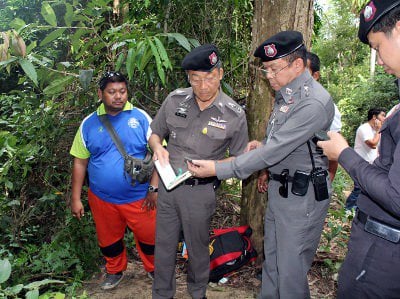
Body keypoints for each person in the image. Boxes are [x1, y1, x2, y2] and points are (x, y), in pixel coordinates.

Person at [188, 31, 335, 299]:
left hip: (302, 198)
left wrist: (217, 168)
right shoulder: (287, 93)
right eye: (266, 69)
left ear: (298, 65)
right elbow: (279, 141)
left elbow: (277, 150)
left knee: (290, 272)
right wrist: (263, 144)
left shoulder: (312, 102)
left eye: (273, 69)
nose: (268, 76)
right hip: (282, 192)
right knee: (273, 265)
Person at [149, 44, 249, 299]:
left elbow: (240, 161)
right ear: (189, 78)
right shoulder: (174, 100)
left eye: (209, 78)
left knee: (198, 249)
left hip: (200, 193)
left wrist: (215, 170)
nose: (203, 86)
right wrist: (158, 148)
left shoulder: (234, 115)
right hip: (168, 188)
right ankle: (162, 294)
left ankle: (197, 292)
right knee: (164, 247)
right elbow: (155, 132)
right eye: (196, 79)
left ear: (221, 74)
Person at [318, 1, 400, 297]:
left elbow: (396, 196)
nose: (378, 60)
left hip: (383, 258)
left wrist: (343, 154)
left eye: (378, 47)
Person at [70, 71, 157, 290]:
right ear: (100, 94)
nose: (118, 96)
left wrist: (155, 188)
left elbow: (160, 153)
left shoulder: (141, 117)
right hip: (102, 198)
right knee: (109, 240)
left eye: (122, 91)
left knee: (151, 237)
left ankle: (155, 269)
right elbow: (80, 162)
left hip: (140, 196)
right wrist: (75, 198)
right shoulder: (88, 124)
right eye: (111, 92)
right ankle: (114, 270)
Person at [306, 51, 342, 182]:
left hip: (314, 181)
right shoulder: (286, 104)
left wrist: (328, 183)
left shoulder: (328, 109)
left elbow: (334, 151)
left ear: (315, 75)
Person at [345, 108, 386, 210]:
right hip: (361, 163)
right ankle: (348, 210)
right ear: (374, 117)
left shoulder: (375, 130)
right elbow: (372, 144)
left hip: (371, 165)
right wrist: (378, 131)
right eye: (383, 115)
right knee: (359, 189)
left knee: (365, 190)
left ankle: (356, 211)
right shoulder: (364, 128)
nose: (384, 118)